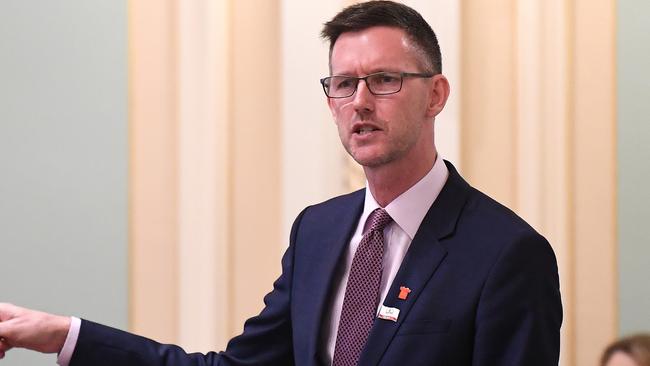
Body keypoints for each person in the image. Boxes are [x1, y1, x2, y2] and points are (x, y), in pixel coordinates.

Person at [0, 1, 562, 365]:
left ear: (435, 94)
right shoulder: (318, 232)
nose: (359, 101)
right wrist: (61, 334)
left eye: (384, 80)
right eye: (343, 84)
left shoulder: (507, 255)